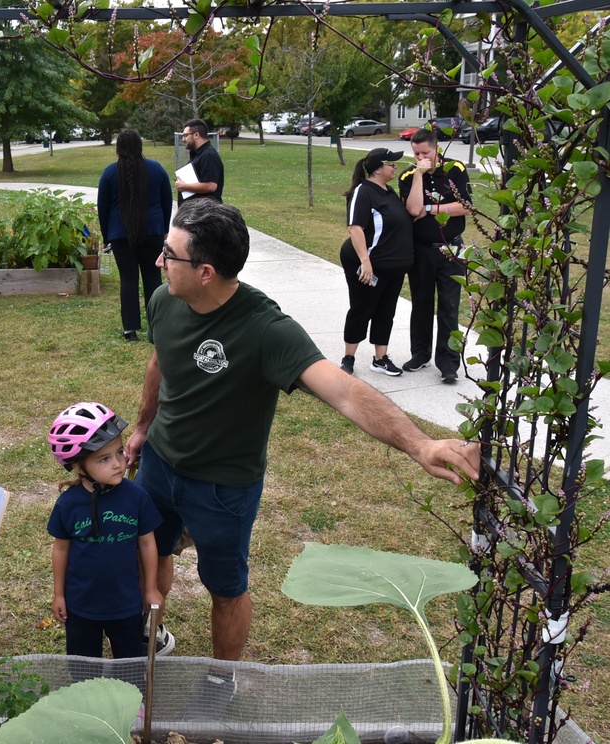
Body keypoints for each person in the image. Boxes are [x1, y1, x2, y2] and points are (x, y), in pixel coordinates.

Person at [124, 199, 480, 709]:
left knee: (224, 588)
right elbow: (160, 359)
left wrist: (420, 443)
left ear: (205, 272)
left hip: (223, 486)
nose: (159, 262)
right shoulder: (164, 300)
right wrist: (142, 426)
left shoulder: (266, 330)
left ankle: (222, 679)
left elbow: (344, 391)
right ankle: (151, 635)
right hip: (159, 463)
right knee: (150, 551)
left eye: (168, 254)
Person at [47, 402, 162, 659]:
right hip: (81, 606)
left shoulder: (137, 497)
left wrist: (151, 588)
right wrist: (58, 594)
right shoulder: (68, 504)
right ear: (78, 466)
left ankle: (134, 701)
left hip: (127, 604)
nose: (118, 464)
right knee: (83, 668)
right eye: (104, 458)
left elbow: (147, 543)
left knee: (130, 664)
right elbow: (61, 548)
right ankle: (87, 701)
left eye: (120, 452)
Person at [397, 129, 473, 384]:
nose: (421, 157)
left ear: (436, 149)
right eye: (416, 153)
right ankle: (420, 353)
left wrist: (431, 209)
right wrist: (419, 174)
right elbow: (413, 208)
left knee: (449, 306)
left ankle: (448, 362)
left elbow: (465, 207)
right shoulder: (408, 175)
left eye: (425, 153)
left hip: (451, 248)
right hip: (421, 250)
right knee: (421, 303)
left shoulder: (455, 170)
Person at [339, 148, 413, 376]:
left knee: (386, 311)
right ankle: (348, 357)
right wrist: (365, 261)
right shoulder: (363, 192)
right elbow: (355, 228)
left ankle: (380, 359)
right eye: (392, 164)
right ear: (378, 168)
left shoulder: (388, 191)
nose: (395, 167)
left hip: (393, 266)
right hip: (368, 264)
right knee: (362, 308)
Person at [97, 129, 171, 341]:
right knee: (152, 278)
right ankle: (155, 328)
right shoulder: (156, 169)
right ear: (140, 146)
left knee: (128, 279)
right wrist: (164, 228)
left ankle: (129, 329)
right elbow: (167, 201)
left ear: (118, 148)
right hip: (152, 232)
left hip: (120, 234)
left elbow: (102, 207)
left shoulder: (110, 173)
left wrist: (106, 236)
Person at [174, 118, 224, 204]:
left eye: (186, 135)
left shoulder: (209, 155)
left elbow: (210, 186)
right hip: (196, 211)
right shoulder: (198, 154)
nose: (183, 139)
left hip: (205, 212)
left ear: (196, 135)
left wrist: (183, 186)